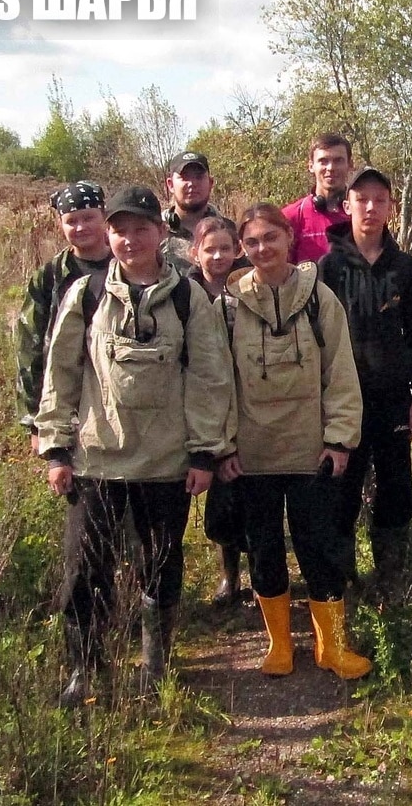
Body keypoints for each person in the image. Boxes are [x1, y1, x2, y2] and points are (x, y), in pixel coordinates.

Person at [36, 185, 235, 707]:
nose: (129, 239)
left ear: (160, 233)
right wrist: (56, 449)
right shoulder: (86, 294)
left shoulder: (191, 298)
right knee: (84, 568)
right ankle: (85, 670)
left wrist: (204, 453)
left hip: (167, 463)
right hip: (97, 461)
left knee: (160, 565)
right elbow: (61, 374)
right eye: (120, 229)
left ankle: (156, 664)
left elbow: (211, 380)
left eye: (140, 228)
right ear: (110, 233)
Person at [216, 203, 370, 679]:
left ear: (289, 238)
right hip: (253, 454)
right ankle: (278, 645)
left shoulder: (320, 299)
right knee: (263, 549)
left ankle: (332, 648)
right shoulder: (227, 307)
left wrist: (340, 440)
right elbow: (216, 382)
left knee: (319, 547)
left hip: (311, 452)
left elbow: (340, 374)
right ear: (243, 249)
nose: (262, 249)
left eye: (271, 238)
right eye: (252, 242)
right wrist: (222, 447)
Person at [319, 166, 412, 604]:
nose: (370, 208)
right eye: (361, 200)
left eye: (379, 200)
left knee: (396, 487)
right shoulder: (329, 268)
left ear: (391, 207)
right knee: (342, 490)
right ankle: (343, 580)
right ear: (347, 206)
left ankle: (390, 575)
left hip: (391, 401)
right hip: (344, 403)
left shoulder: (405, 268)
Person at [15, 181, 111, 454]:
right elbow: (29, 349)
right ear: (61, 224)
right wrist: (36, 423)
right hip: (67, 399)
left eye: (89, 218)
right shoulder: (50, 277)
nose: (81, 227)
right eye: (71, 221)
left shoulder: (127, 266)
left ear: (104, 217)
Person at [188, 217, 252, 605]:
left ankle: (261, 574)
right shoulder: (185, 291)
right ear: (195, 252)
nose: (218, 256)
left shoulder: (249, 287)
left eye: (225, 248)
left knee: (250, 489)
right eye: (209, 249)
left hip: (247, 396)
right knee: (222, 498)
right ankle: (229, 577)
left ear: (237, 250)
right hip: (207, 400)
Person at [282, 132, 353, 264]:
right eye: (323, 161)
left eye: (338, 161)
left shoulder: (361, 213)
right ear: (311, 166)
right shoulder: (291, 216)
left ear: (350, 164)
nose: (331, 168)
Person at [163, 150, 232, 273]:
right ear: (170, 185)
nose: (192, 184)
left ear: (210, 183)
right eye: (184, 177)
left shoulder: (231, 231)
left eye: (199, 177)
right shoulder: (157, 235)